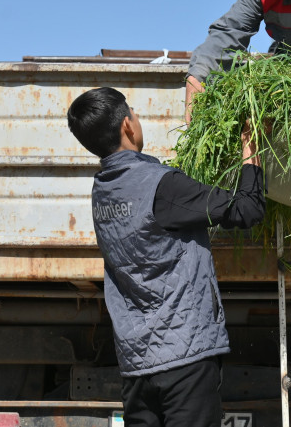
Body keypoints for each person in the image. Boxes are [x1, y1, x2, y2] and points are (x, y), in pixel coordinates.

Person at [66, 87, 266, 427]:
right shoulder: (162, 186)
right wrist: (252, 149)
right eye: (135, 113)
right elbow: (248, 208)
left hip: (136, 365)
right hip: (184, 360)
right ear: (127, 125)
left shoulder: (102, 192)